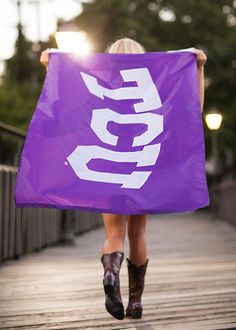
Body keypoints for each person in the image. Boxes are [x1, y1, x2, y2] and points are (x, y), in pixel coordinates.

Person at [40, 38, 207, 321]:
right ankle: (136, 303)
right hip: (141, 171)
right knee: (138, 233)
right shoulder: (154, 90)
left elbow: (65, 101)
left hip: (109, 171)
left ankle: (110, 273)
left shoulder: (98, 88)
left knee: (113, 234)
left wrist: (51, 67)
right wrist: (199, 68)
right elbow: (191, 113)